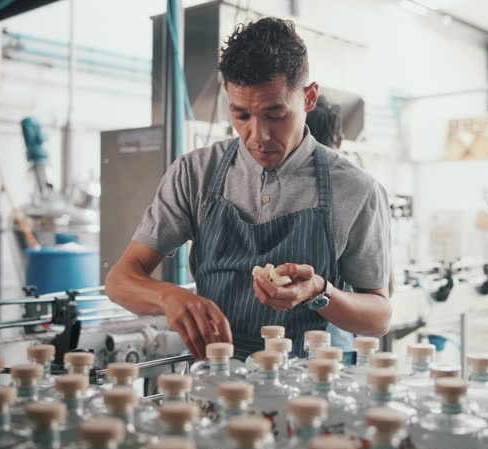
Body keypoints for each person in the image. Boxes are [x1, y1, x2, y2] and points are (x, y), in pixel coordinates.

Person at [105, 18, 391, 360]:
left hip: (312, 379)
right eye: (241, 116)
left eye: (276, 115)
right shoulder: (196, 173)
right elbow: (120, 280)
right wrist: (168, 296)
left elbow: (379, 318)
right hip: (218, 373)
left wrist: (319, 292)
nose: (258, 136)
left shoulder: (356, 189)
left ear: (309, 97)